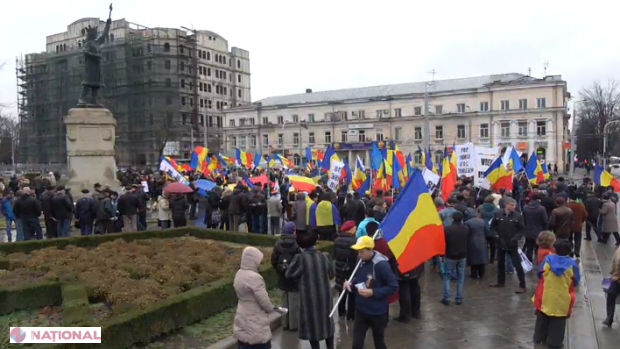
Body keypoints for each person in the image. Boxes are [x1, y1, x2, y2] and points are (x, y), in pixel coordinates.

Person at [344, 236, 398, 349]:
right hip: (361, 310)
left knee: (379, 343)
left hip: (377, 312)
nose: (359, 255)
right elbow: (358, 278)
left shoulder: (382, 265)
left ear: (370, 250)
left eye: (362, 252)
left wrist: (373, 292)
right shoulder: (360, 260)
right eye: (358, 251)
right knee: (356, 344)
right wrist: (350, 284)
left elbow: (393, 286)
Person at [285, 232, 335, 349]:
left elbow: (289, 274)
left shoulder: (300, 258)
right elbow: (331, 274)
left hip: (309, 297)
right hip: (325, 296)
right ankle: (330, 346)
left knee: (313, 324)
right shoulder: (324, 256)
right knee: (327, 321)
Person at [233, 246, 284, 349]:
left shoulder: (239, 274)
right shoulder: (254, 277)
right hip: (255, 316)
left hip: (242, 312)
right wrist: (270, 308)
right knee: (260, 342)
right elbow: (264, 300)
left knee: (244, 340)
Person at [533, 240, 580, 348]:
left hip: (545, 295)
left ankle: (539, 338)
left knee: (542, 316)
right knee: (558, 320)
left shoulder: (547, 260)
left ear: (555, 249)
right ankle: (555, 343)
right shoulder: (572, 264)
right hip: (563, 297)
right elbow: (576, 280)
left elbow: (539, 273)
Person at [490, 197, 527, 293]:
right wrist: (496, 236)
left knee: (517, 264)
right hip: (501, 242)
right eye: (511, 205)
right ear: (506, 205)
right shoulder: (498, 214)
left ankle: (522, 284)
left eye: (514, 205)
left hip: (511, 243)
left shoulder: (518, 216)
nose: (513, 207)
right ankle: (500, 281)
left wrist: (515, 239)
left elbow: (522, 230)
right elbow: (492, 227)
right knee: (500, 263)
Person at [270, 222, 301, 331]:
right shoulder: (296, 244)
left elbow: (273, 260)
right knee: (294, 300)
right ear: (293, 231)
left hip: (282, 275)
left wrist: (279, 270)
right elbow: (300, 261)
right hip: (293, 277)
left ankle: (285, 324)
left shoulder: (278, 243)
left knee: (284, 300)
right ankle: (294, 325)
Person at [442, 211, 469, 305]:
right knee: (461, 278)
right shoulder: (466, 229)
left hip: (450, 255)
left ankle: (447, 298)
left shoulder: (447, 229)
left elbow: (444, 242)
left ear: (452, 218)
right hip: (462, 255)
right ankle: (459, 298)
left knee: (447, 277)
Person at [333, 220, 358, 321]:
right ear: (351, 229)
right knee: (351, 291)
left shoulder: (337, 240)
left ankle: (341, 310)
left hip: (339, 268)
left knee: (341, 289)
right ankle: (351, 314)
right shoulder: (354, 241)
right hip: (351, 269)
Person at [522, 194, 548, 263]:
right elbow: (545, 221)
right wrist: (545, 230)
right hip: (539, 232)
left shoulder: (525, 208)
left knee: (529, 248)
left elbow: (523, 220)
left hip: (528, 232)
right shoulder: (542, 208)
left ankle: (529, 262)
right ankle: (538, 261)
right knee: (538, 248)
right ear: (538, 200)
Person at [465, 211, 488, 279]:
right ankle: (482, 274)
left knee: (473, 258)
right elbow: (487, 231)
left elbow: (466, 233)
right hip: (482, 240)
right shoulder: (483, 221)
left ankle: (474, 274)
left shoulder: (467, 222)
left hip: (471, 241)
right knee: (482, 257)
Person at [478, 195, 499, 264]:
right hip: (493, 229)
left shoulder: (481, 207)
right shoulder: (496, 209)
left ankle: (485, 258)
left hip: (483, 228)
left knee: (484, 245)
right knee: (493, 245)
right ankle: (491, 259)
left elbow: (479, 217)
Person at [603, 245, 620, 327]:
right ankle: (609, 317)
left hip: (617, 278)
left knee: (611, 295)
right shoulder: (619, 250)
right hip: (616, 279)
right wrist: (612, 273)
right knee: (611, 295)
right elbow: (614, 261)